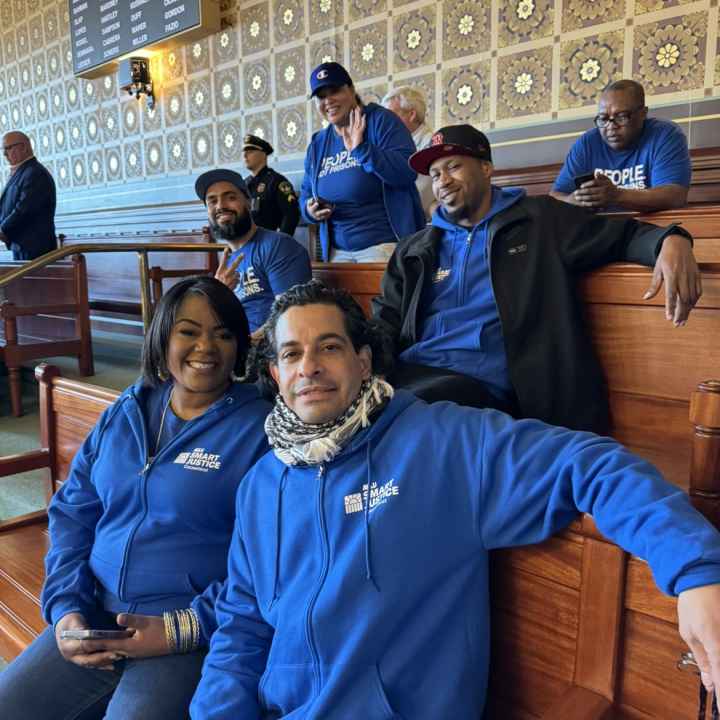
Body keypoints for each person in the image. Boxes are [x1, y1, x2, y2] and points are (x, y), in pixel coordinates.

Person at [190, 281, 720, 720]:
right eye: (291, 354)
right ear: (275, 375)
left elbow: (590, 464)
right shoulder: (262, 482)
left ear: (364, 359)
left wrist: (697, 572)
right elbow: (244, 622)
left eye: (328, 346)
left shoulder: (443, 442)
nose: (309, 367)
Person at [0, 276, 272, 719]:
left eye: (223, 334)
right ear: (162, 335)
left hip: (187, 634)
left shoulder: (257, 432)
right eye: (189, 331)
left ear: (240, 346)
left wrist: (179, 630)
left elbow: (266, 565)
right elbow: (73, 511)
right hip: (94, 616)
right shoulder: (128, 409)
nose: (206, 346)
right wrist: (67, 606)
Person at [371, 123, 702, 432]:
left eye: (454, 166)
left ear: (486, 168)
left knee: (405, 421)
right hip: (414, 375)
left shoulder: (541, 219)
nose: (442, 180)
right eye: (434, 173)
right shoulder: (414, 250)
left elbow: (623, 236)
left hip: (487, 388)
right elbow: (384, 323)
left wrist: (670, 240)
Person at [299, 62, 425, 263]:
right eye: (321, 96)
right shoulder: (318, 143)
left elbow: (406, 171)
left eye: (335, 91)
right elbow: (305, 193)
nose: (328, 100)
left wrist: (362, 151)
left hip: (384, 246)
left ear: (351, 90)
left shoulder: (381, 121)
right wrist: (309, 210)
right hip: (336, 251)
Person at [195, 168, 311, 336]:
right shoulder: (227, 260)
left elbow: (291, 317)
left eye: (231, 197)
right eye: (212, 201)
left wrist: (244, 346)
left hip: (267, 352)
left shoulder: (278, 246)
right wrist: (219, 292)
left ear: (249, 203)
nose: (220, 206)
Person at [550, 80, 691, 212]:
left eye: (621, 117)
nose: (611, 126)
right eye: (603, 119)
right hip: (601, 227)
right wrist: (573, 200)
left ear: (643, 114)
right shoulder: (588, 142)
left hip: (649, 227)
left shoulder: (665, 135)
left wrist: (617, 195)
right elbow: (555, 196)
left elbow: (674, 196)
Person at [0, 131, 57, 260]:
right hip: (21, 246)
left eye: (8, 148)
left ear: (24, 147)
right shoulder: (22, 172)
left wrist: (3, 230)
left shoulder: (35, 173)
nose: (4, 154)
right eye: (3, 150)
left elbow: (24, 209)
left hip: (35, 249)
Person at [382, 85, 435, 219]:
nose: (385, 123)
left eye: (390, 116)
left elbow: (420, 195)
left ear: (411, 115)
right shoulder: (389, 146)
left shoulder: (432, 144)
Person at [242, 134, 300, 237]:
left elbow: (291, 215)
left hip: (269, 243)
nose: (245, 155)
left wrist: (280, 242)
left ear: (263, 154)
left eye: (250, 152)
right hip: (245, 243)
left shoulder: (277, 182)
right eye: (244, 152)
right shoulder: (244, 184)